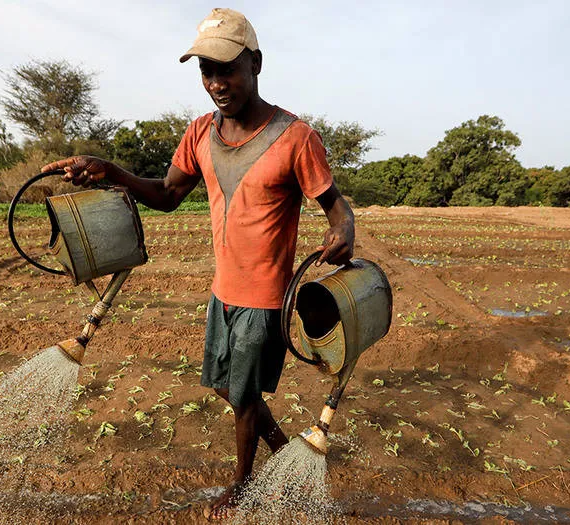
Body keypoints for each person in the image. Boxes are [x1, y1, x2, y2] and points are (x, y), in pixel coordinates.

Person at [42, 7, 355, 520]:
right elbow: (167, 194)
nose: (216, 83)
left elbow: (336, 206)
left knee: (244, 397)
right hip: (222, 290)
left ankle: (243, 485)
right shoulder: (199, 133)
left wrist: (343, 229)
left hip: (265, 298)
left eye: (227, 69)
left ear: (256, 63)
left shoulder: (295, 137)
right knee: (226, 386)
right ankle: (283, 453)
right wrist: (110, 170)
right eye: (207, 72)